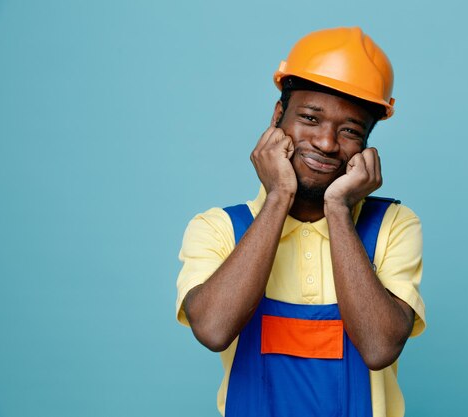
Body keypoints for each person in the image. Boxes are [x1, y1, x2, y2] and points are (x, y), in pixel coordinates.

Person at [175, 27, 426, 417]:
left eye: (349, 131)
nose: (327, 143)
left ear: (366, 147)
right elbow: (213, 329)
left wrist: (339, 210)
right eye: (311, 117)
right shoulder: (218, 228)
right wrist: (278, 197)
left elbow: (378, 348)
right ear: (278, 116)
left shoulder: (393, 225)